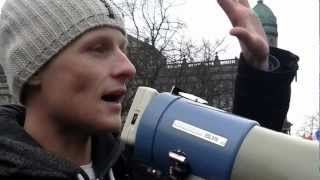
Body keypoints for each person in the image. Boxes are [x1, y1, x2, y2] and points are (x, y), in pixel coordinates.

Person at [0, 0, 298, 179]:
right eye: (98, 49)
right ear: (35, 69)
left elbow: (244, 167)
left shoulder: (143, 166)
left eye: (122, 49)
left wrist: (259, 69)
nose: (128, 67)